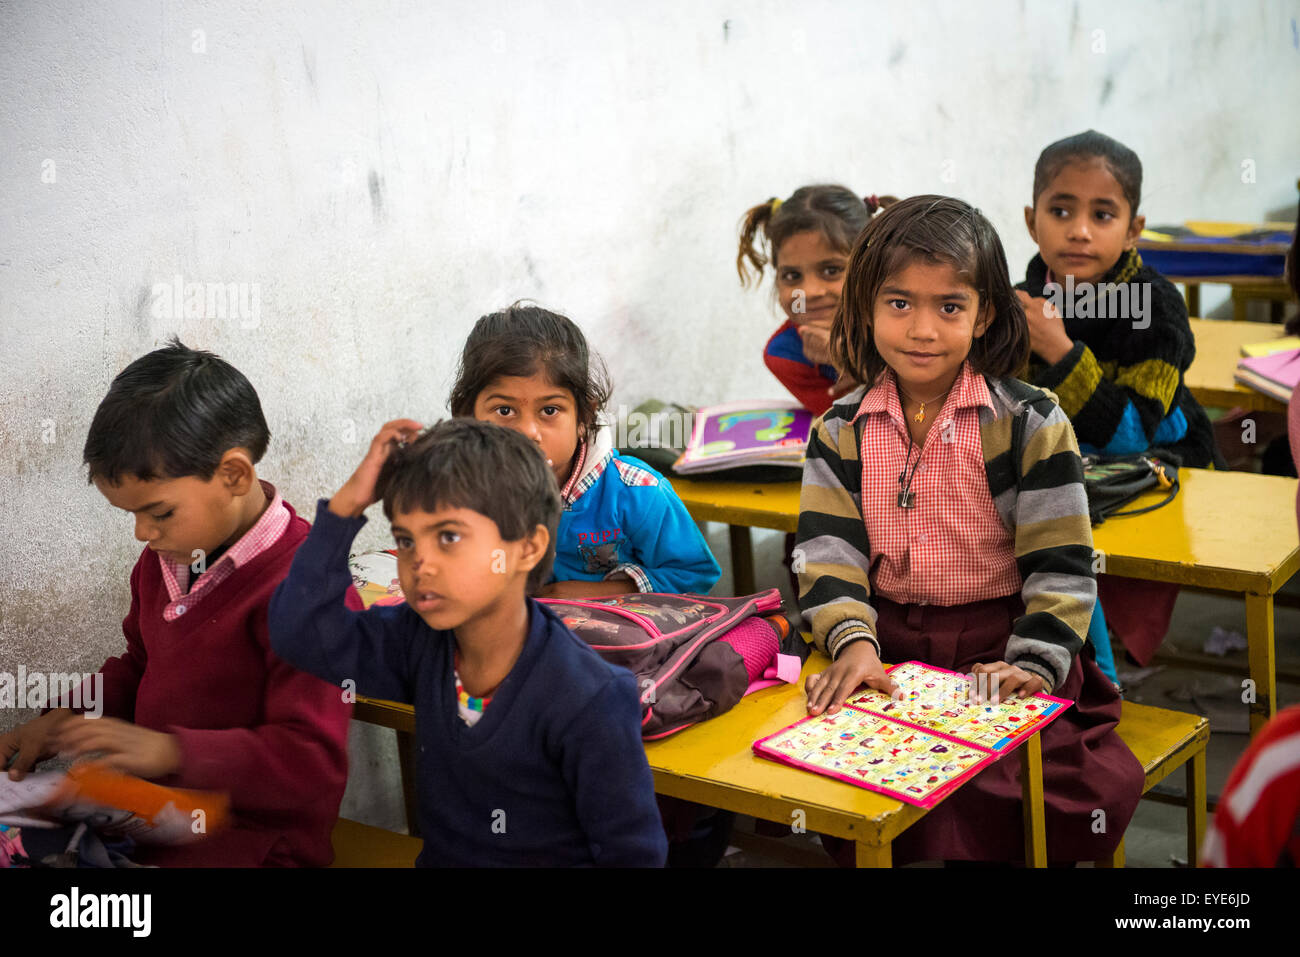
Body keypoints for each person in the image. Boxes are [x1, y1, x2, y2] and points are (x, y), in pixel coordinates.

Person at [796, 195, 1143, 864]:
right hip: (886, 647)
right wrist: (851, 643)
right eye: (899, 303)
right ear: (865, 307)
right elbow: (827, 553)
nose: (922, 329)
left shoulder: (1031, 422)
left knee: (1022, 784)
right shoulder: (840, 430)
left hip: (1001, 644)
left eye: (949, 307)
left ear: (984, 313)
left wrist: (1033, 663)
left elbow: (1062, 568)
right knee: (859, 772)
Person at [0, 338, 351, 866]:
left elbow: (311, 764)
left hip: (255, 848)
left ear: (234, 475)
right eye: (131, 516)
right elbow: (141, 665)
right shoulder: (167, 563)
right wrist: (66, 718)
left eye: (159, 513)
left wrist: (171, 751)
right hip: (150, 826)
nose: (143, 533)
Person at [268, 417, 668, 866]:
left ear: (528, 548)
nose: (420, 563)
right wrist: (348, 505)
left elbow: (633, 853)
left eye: (449, 537)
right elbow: (300, 634)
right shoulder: (418, 640)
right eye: (405, 540)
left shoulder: (588, 696)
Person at [1015, 130, 1223, 672]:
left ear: (1133, 231)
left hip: (1160, 463)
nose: (1079, 231)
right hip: (1070, 467)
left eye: (1102, 215)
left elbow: (1131, 431)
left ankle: (1097, 677)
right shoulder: (1023, 297)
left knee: (1064, 543)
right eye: (1060, 210)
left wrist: (1058, 349)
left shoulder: (1154, 306)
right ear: (1030, 219)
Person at [448, 302, 719, 599]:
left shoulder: (636, 492)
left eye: (549, 410)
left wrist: (589, 592)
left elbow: (693, 573)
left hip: (624, 640)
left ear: (583, 418)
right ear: (468, 416)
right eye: (504, 410)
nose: (528, 432)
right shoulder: (461, 495)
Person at [738, 186, 894, 417]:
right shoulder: (787, 355)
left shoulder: (908, 320)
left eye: (831, 270)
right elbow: (852, 428)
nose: (808, 292)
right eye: (792, 276)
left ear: (871, 267)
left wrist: (854, 363)